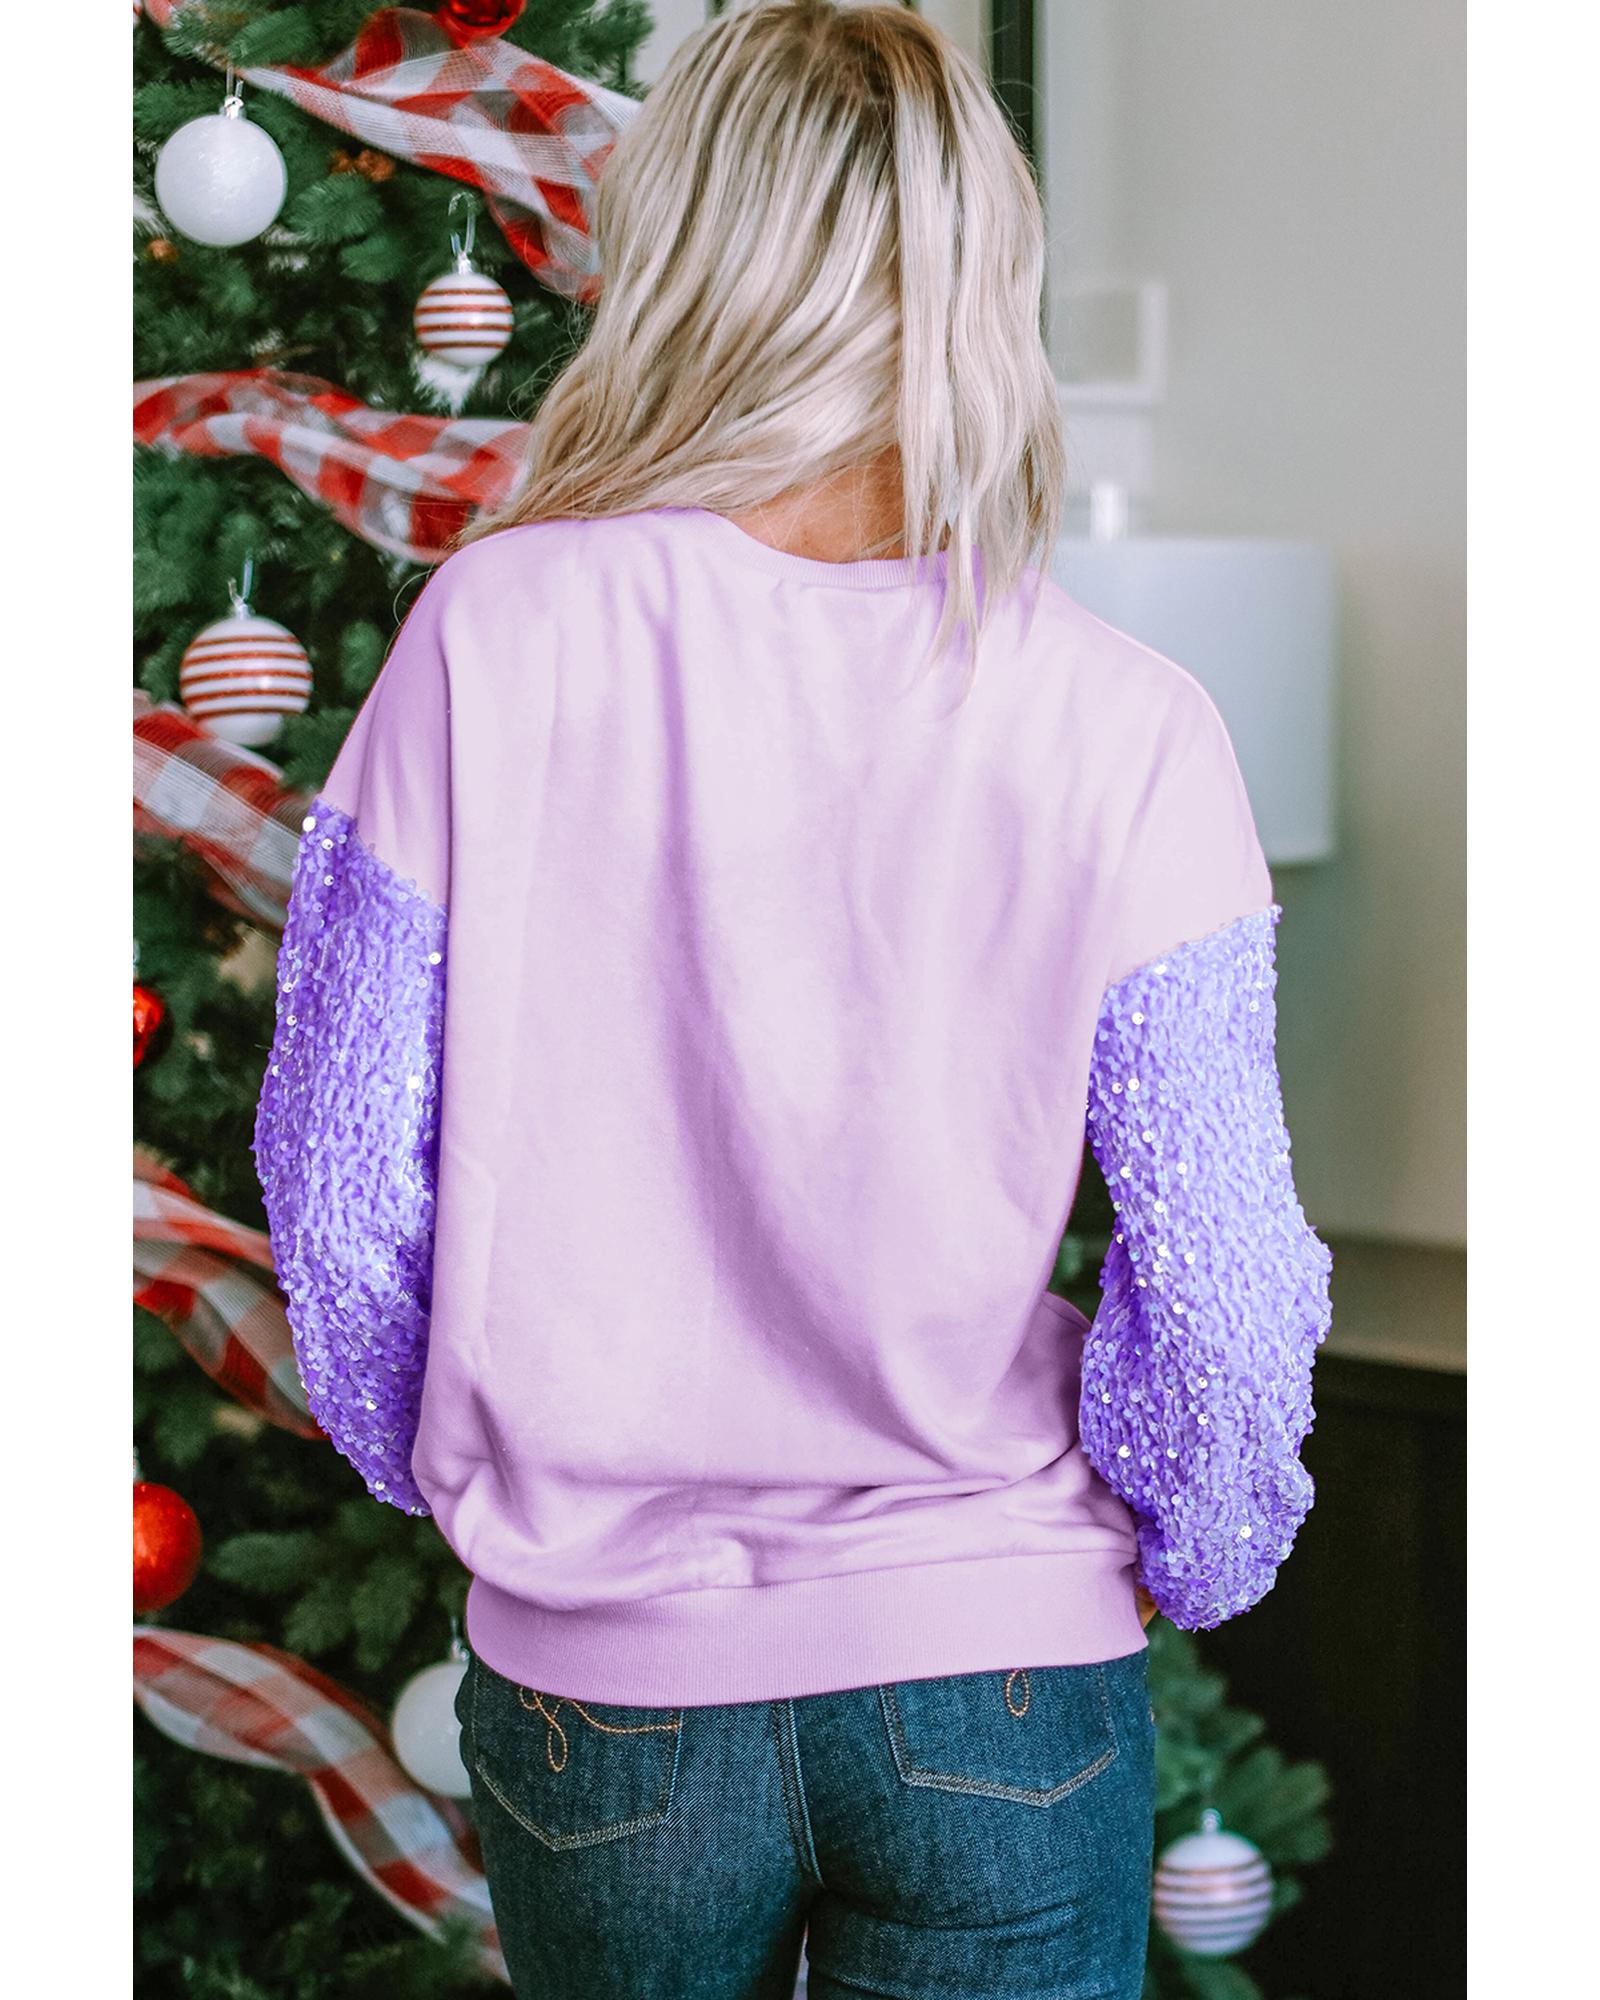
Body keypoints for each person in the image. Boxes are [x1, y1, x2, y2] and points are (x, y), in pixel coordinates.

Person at [251, 4, 1333, 1995]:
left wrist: (479, 1475)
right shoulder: (1127, 725)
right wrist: (1193, 1548)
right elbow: (1226, 1280)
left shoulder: (494, 633)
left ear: (683, 248)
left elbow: (335, 1180)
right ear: (981, 274)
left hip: (604, 1696)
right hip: (998, 1663)